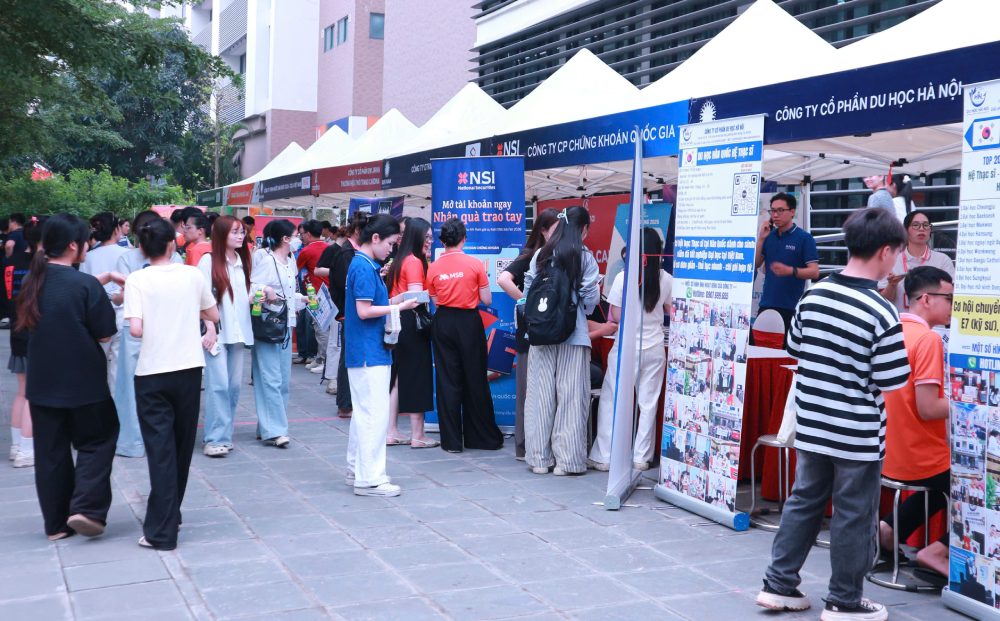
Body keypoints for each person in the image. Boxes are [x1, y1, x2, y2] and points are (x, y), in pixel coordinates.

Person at [756, 208, 910, 621]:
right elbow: (893, 381)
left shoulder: (814, 294)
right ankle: (844, 599)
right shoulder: (881, 311)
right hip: (856, 433)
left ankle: (778, 584)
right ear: (885, 251)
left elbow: (795, 349)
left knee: (803, 501)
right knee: (854, 514)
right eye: (896, 252)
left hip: (812, 422)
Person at [18, 214, 122, 540]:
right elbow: (105, 334)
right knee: (97, 440)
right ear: (74, 245)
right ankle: (86, 508)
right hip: (84, 383)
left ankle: (56, 525)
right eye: (85, 241)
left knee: (50, 452)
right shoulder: (85, 284)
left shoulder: (30, 282)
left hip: (42, 382)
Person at [124, 217, 219, 550]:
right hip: (189, 371)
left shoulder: (137, 280)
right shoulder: (191, 275)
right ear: (172, 243)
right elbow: (213, 315)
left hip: (152, 373)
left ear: (141, 247)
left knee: (159, 451)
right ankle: (170, 513)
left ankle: (163, 530)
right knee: (179, 449)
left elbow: (135, 329)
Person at [880, 266, 953, 577]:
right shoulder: (927, 339)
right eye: (949, 298)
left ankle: (887, 529)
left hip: (888, 453)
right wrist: (967, 405)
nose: (953, 305)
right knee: (976, 481)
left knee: (942, 482)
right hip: (921, 455)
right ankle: (938, 550)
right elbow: (928, 408)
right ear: (926, 298)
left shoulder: (891, 328)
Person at [522, 207, 600, 475]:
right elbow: (590, 302)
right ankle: (566, 461)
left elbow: (527, 293)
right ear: (584, 230)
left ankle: (539, 459)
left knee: (540, 396)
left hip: (541, 333)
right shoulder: (585, 258)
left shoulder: (540, 255)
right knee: (570, 396)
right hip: (573, 333)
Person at [344, 214, 418, 496]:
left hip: (366, 350)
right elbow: (364, 312)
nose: (391, 249)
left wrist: (394, 302)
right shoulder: (363, 267)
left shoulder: (363, 264)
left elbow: (369, 305)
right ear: (375, 239)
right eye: (389, 243)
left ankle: (357, 469)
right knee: (374, 414)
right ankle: (370, 478)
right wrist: (398, 308)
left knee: (364, 413)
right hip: (368, 352)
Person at [589, 227, 672, 472]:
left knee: (612, 400)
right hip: (655, 346)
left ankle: (605, 457)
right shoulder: (666, 279)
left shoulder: (623, 277)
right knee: (648, 404)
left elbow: (614, 314)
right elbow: (669, 308)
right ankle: (641, 457)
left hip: (626, 347)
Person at [426, 218, 505, 454]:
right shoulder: (475, 264)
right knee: (475, 379)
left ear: (442, 241)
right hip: (469, 322)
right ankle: (480, 438)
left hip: (443, 322)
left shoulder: (433, 267)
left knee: (447, 380)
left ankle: (451, 442)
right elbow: (488, 300)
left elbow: (435, 301)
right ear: (464, 239)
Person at [113, 211, 184, 458]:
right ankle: (132, 442)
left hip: (164, 326)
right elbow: (117, 296)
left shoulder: (175, 257)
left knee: (161, 386)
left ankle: (160, 437)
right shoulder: (127, 258)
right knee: (130, 387)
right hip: (135, 328)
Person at [498, 208, 560, 460]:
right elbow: (503, 279)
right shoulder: (533, 256)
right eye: (555, 230)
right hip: (530, 328)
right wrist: (526, 299)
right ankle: (524, 445)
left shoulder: (553, 255)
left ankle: (538, 443)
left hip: (545, 328)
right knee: (526, 387)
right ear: (543, 231)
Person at [198, 216, 253, 457]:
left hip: (238, 331)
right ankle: (215, 438)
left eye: (242, 232)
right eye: (235, 232)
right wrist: (209, 327)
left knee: (232, 387)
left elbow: (243, 297)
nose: (240, 236)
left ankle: (224, 433)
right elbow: (200, 298)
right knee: (218, 385)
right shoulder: (208, 261)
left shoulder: (242, 261)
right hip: (217, 333)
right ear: (222, 235)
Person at [250, 220, 305, 447]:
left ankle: (267, 425)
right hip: (268, 326)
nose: (297, 239)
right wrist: (266, 291)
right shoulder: (267, 261)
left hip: (285, 324)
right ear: (285, 239)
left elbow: (290, 293)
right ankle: (276, 430)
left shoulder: (289, 262)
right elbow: (253, 289)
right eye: (295, 235)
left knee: (282, 380)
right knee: (270, 379)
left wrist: (303, 300)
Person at [385, 218, 439, 448]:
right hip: (412, 321)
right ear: (416, 237)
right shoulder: (415, 262)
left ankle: (391, 431)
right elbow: (416, 297)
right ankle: (418, 434)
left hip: (399, 322)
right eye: (426, 237)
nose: (430, 241)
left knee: (397, 379)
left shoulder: (399, 260)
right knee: (417, 376)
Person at [754, 193, 819, 336]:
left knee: (784, 354)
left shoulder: (804, 238)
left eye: (780, 210)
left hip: (790, 307)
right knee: (759, 350)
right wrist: (760, 239)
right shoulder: (769, 236)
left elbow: (814, 272)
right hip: (766, 304)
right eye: (772, 211)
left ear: (792, 212)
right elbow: (757, 263)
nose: (775, 215)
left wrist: (790, 271)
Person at [5, 218, 41, 468]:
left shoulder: (9, 264)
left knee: (21, 391)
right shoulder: (41, 268)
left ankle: (17, 445)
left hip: (16, 332)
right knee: (32, 394)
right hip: (34, 334)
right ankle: (28, 450)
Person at [80, 212, 129, 391]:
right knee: (119, 365)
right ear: (116, 230)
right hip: (123, 312)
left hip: (97, 313)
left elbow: (84, 287)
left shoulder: (88, 256)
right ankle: (117, 408)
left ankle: (97, 402)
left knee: (97, 360)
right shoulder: (127, 254)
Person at [879, 210, 955, 312]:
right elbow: (883, 301)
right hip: (902, 324)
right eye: (915, 225)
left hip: (933, 326)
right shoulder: (892, 260)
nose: (921, 229)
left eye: (926, 225)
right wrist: (892, 285)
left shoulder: (943, 260)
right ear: (905, 231)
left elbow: (951, 297)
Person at [329, 213, 366, 417]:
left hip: (351, 312)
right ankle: (345, 403)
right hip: (347, 312)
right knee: (347, 357)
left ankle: (349, 401)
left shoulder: (354, 252)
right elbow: (347, 286)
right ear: (359, 231)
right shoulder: (346, 254)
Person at [296, 219, 330, 374]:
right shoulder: (329, 247)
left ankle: (324, 360)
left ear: (308, 234)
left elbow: (294, 270)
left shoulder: (306, 251)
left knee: (320, 328)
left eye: (302, 234)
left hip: (316, 294)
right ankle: (319, 357)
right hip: (329, 293)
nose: (300, 237)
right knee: (323, 327)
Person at [315, 230, 343, 395]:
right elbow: (317, 270)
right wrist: (336, 271)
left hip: (347, 303)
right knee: (335, 341)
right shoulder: (332, 250)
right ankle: (332, 378)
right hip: (335, 301)